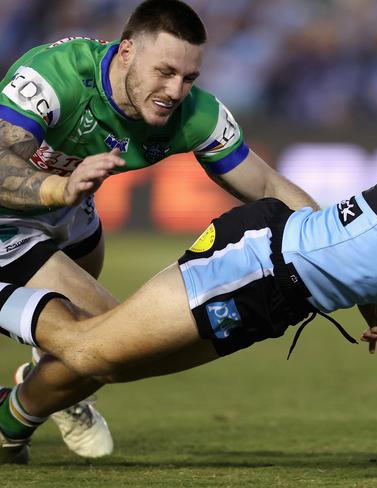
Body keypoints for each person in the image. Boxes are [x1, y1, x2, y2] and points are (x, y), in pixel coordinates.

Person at [0, 89, 377, 463]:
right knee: (95, 351)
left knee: (115, 364)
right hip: (261, 258)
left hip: (283, 298)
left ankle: (9, 422)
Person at [0, 0, 317, 462]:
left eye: (189, 78)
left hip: (73, 213)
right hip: (11, 216)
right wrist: (58, 188)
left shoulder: (195, 114)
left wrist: (342, 243)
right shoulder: (56, 75)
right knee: (116, 342)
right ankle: (14, 420)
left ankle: (37, 398)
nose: (174, 90)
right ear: (126, 51)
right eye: (164, 71)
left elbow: (267, 183)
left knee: (111, 343)